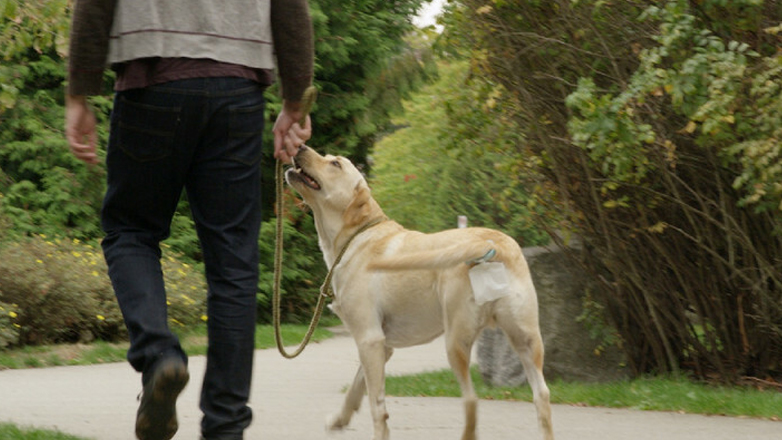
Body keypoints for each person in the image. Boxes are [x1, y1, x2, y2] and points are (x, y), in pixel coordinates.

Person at [64, 1, 313, 439]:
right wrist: (296, 99)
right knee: (234, 262)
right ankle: (226, 424)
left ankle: (161, 355)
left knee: (131, 231)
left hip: (153, 79)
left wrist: (78, 93)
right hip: (238, 88)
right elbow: (290, 8)